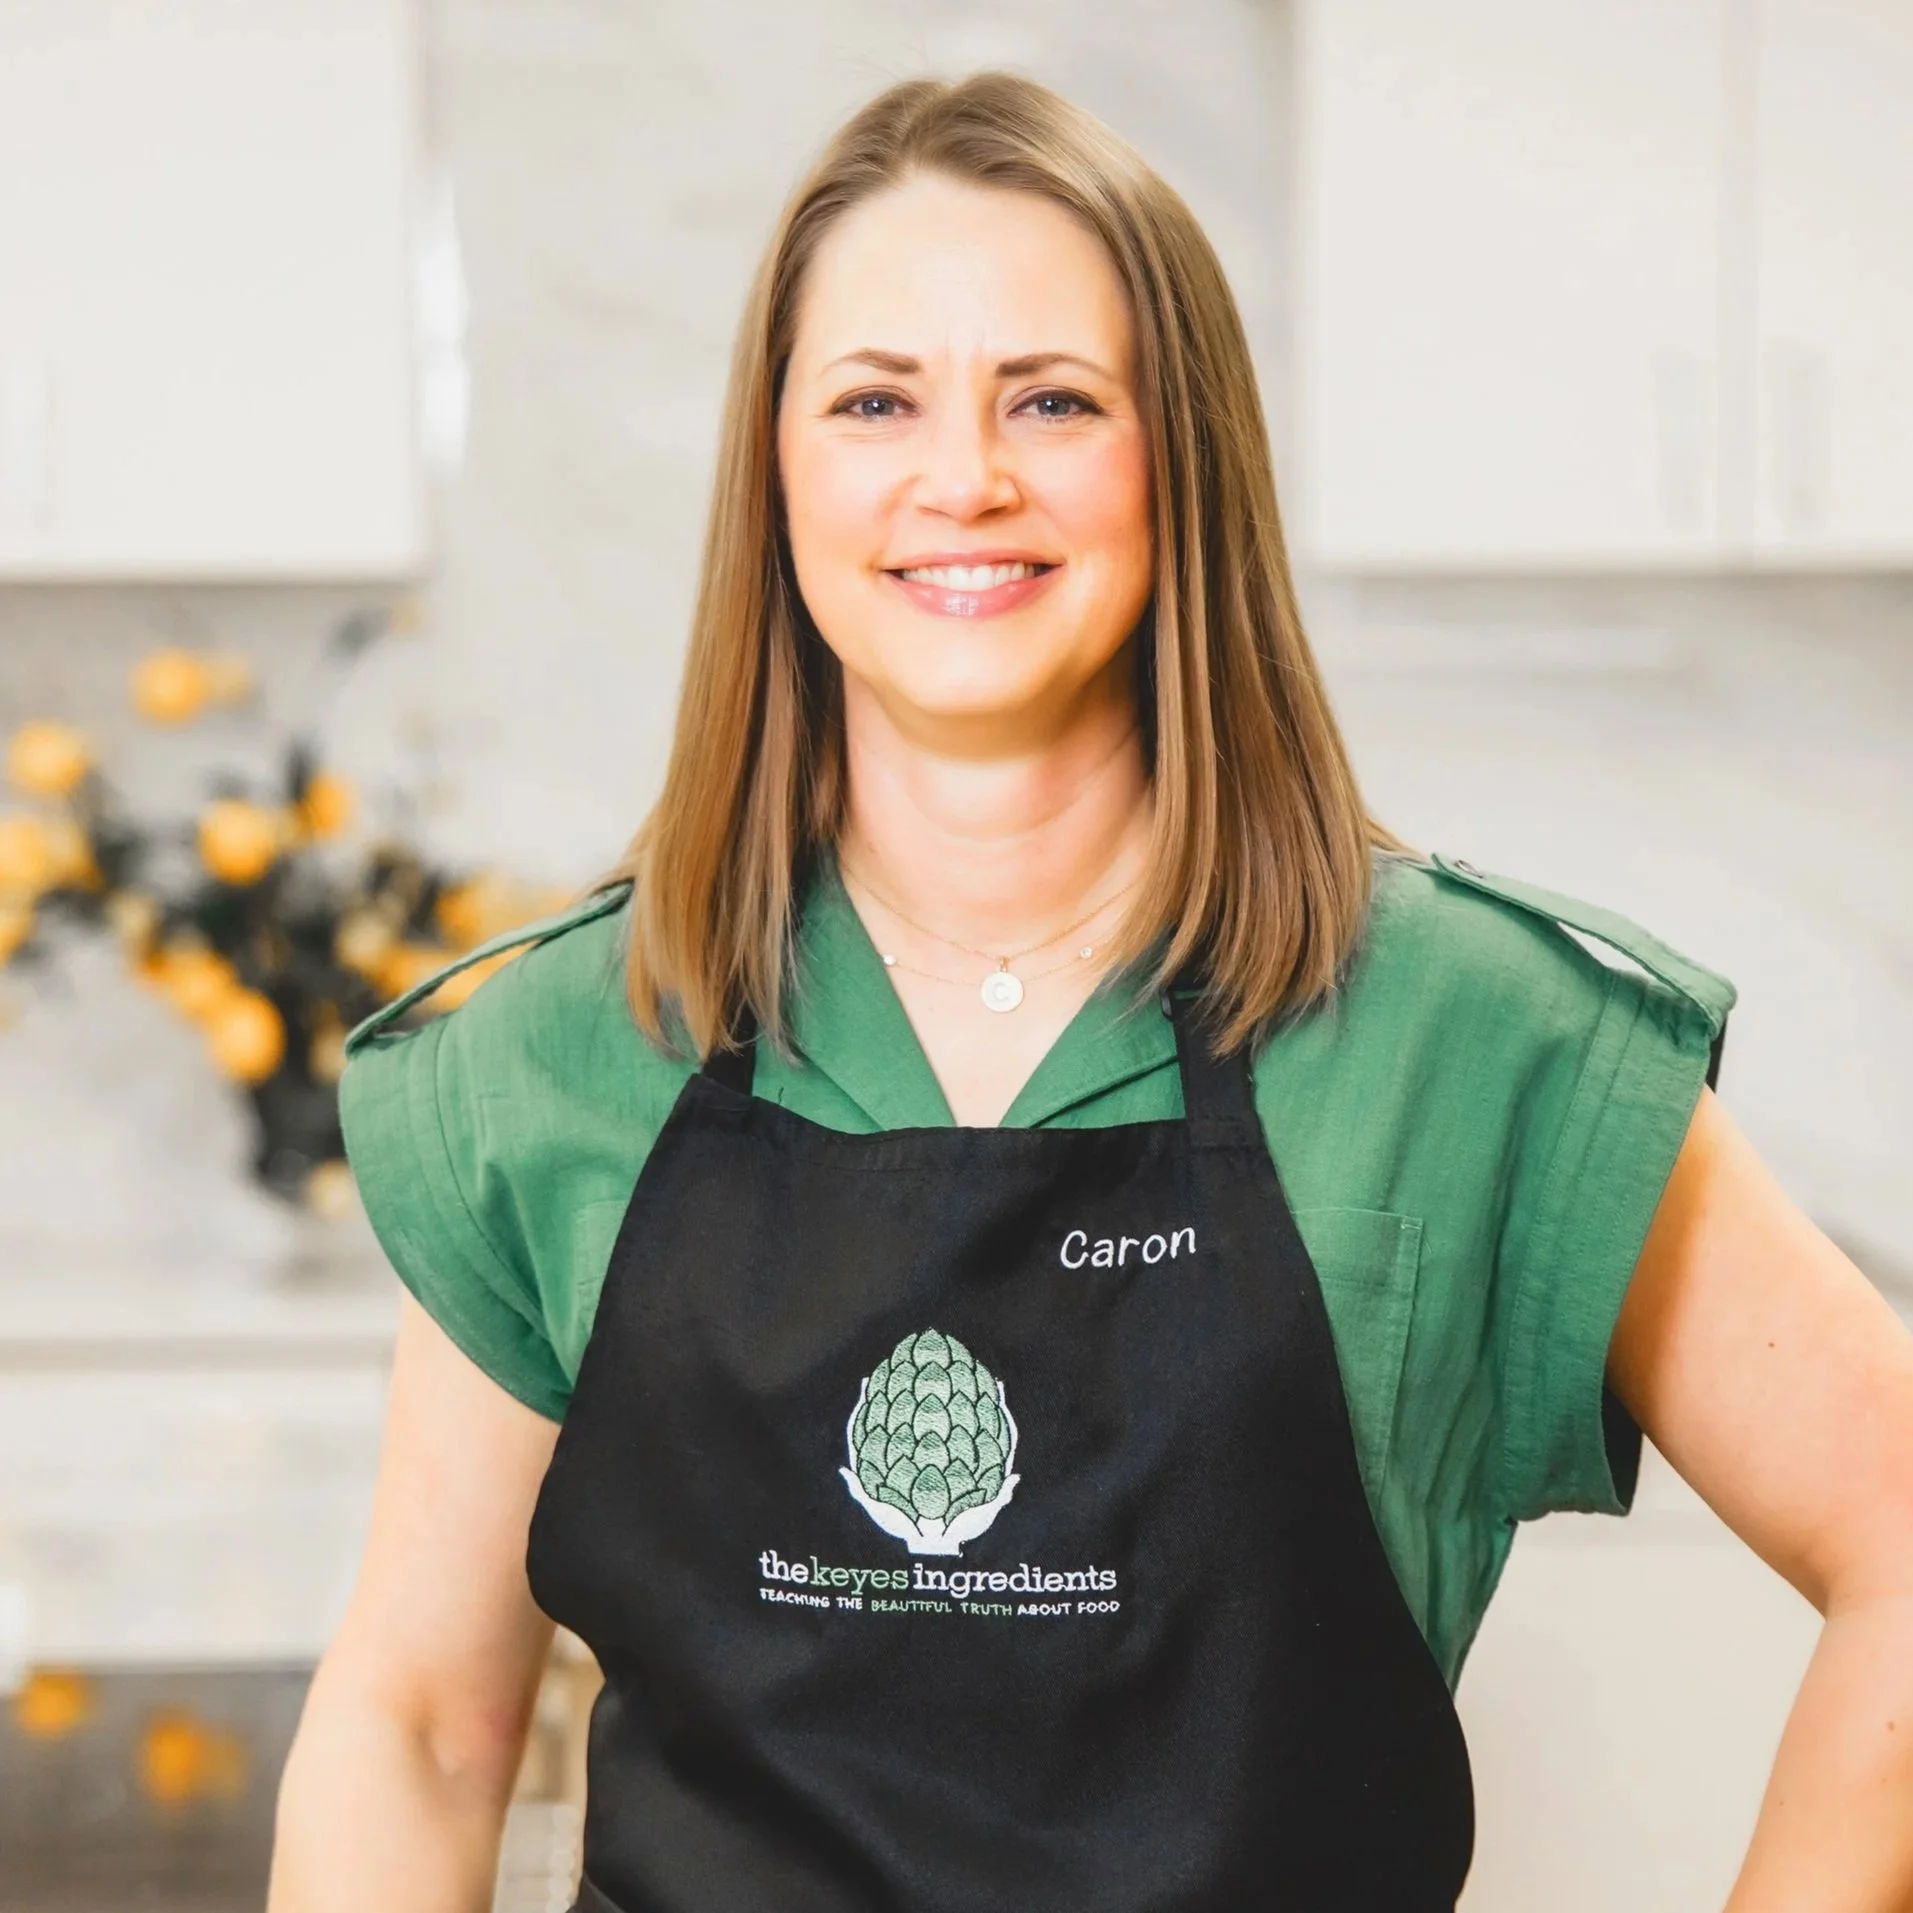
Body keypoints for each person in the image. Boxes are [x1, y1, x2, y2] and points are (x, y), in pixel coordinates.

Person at [268, 72, 1913, 1913]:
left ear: (1179, 462)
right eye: (876, 400)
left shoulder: (1483, 1036)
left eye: (1052, 400)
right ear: (778, 475)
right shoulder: (556, 1050)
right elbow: (420, 1724)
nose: (963, 476)